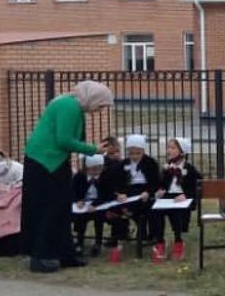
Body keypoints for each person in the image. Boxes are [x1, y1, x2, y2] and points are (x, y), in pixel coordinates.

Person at [20, 80, 113, 273]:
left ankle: (65, 254)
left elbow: (72, 139)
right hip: (44, 162)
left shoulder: (73, 106)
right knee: (50, 209)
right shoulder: (69, 106)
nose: (100, 110)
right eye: (101, 105)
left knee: (62, 209)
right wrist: (93, 150)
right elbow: (64, 140)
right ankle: (42, 256)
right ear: (92, 97)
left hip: (53, 161)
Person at [108, 133, 160, 263]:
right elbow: (117, 182)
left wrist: (148, 192)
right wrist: (120, 193)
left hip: (144, 193)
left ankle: (154, 238)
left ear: (143, 151)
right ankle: (119, 239)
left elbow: (155, 182)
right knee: (116, 210)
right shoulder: (123, 164)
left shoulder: (150, 163)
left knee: (153, 210)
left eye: (138, 153)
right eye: (131, 153)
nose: (135, 156)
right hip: (128, 193)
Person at [150, 137, 201, 262]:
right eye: (168, 147)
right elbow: (161, 183)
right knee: (155, 211)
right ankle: (160, 242)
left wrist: (186, 195)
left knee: (176, 212)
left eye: (173, 148)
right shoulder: (167, 168)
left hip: (182, 198)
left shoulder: (189, 169)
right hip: (168, 197)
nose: (169, 150)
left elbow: (198, 186)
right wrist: (160, 190)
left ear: (182, 152)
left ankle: (178, 241)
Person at [71, 154, 110, 257]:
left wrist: (95, 204)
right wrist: (78, 200)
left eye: (99, 169)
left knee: (99, 218)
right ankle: (79, 242)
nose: (96, 172)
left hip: (99, 204)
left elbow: (106, 193)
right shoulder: (79, 176)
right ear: (86, 168)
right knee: (80, 218)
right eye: (93, 169)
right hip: (84, 204)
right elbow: (72, 190)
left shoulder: (105, 177)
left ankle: (98, 242)